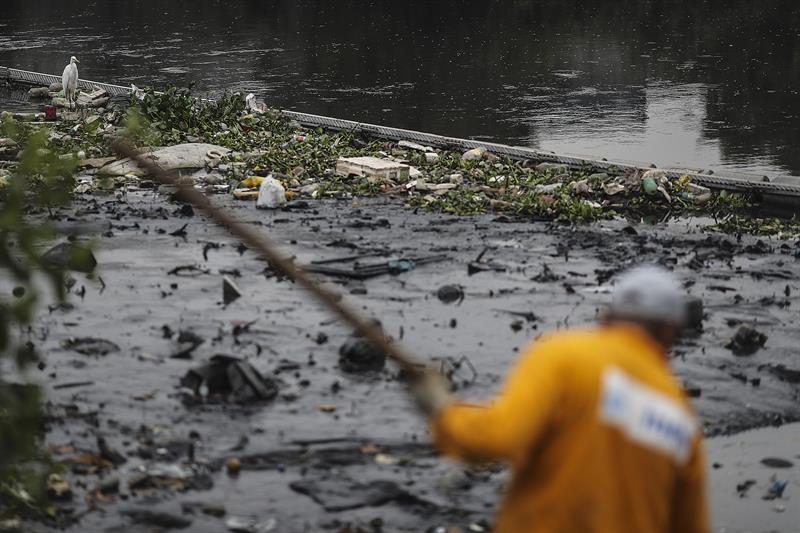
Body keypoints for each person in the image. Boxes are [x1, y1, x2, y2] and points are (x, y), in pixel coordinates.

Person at [410, 265, 709, 533]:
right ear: (671, 332)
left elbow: (497, 437)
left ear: (606, 316)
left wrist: (442, 409)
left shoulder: (561, 355)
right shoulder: (682, 417)